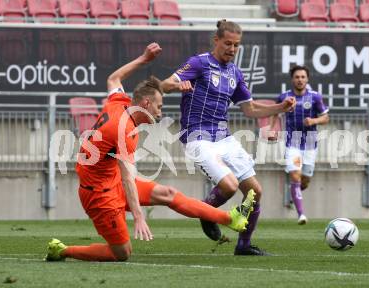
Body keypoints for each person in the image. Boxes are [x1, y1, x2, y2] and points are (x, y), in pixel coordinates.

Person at [45, 43, 255, 262]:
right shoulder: (124, 130)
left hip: (110, 179)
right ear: (146, 103)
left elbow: (113, 79)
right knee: (122, 253)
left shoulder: (120, 102)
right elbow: (128, 178)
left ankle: (230, 218)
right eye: (159, 106)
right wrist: (138, 217)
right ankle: (62, 250)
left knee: (168, 194)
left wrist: (144, 59)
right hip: (99, 194)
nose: (160, 111)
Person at [161, 20, 296, 256]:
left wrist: (280, 107)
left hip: (223, 137)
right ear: (216, 41)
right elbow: (164, 85)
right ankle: (206, 212)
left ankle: (243, 245)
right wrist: (176, 86)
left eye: (236, 45)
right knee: (229, 185)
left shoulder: (235, 72)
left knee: (255, 191)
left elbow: (250, 109)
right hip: (197, 136)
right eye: (227, 44)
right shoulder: (199, 63)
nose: (232, 49)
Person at [269, 65, 329, 225]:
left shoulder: (315, 97)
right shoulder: (285, 97)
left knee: (305, 180)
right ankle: (301, 214)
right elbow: (275, 112)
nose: (300, 80)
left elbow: (325, 118)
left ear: (307, 79)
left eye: (303, 77)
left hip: (310, 145)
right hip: (292, 144)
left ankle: (292, 195)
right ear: (292, 79)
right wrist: (273, 130)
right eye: (297, 77)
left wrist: (314, 121)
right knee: (295, 175)